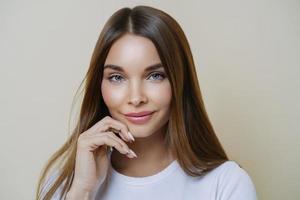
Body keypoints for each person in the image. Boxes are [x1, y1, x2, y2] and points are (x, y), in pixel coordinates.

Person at [36, 5, 257, 200]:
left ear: (180, 81)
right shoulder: (64, 185)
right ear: (99, 85)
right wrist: (82, 192)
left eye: (155, 76)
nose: (136, 98)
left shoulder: (226, 184)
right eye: (117, 77)